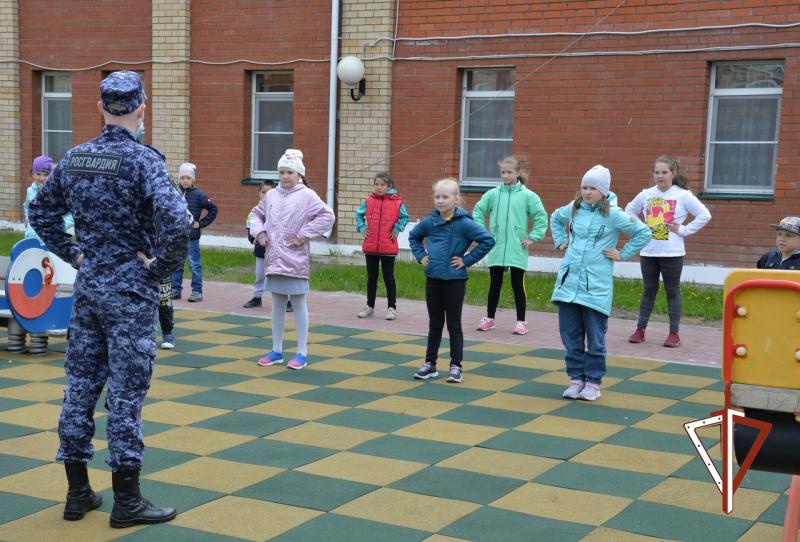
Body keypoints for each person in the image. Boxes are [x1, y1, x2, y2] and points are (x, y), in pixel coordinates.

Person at [28, 71, 188, 527]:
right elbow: (178, 224)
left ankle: (78, 494)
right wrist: (157, 269)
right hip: (130, 293)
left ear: (100, 108)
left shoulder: (75, 158)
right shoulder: (144, 162)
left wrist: (75, 253)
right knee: (125, 395)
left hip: (90, 286)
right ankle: (128, 501)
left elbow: (40, 210)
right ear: (142, 107)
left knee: (80, 387)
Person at [550, 165, 652, 401]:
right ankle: (576, 379)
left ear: (604, 191)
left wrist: (623, 254)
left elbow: (643, 233)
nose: (587, 192)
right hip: (568, 285)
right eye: (584, 187)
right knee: (570, 335)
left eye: (593, 188)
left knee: (595, 337)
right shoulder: (574, 209)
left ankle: (593, 382)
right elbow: (555, 218)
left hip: (596, 286)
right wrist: (561, 241)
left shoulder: (614, 214)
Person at [249, 149, 335, 370]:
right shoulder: (271, 195)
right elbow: (256, 215)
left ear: (299, 174)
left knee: (298, 303)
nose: (285, 176)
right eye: (282, 172)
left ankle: (302, 352)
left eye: (289, 172)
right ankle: (276, 350)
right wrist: (260, 234)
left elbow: (327, 216)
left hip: (294, 260)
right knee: (277, 303)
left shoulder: (307, 195)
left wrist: (303, 235)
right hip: (274, 259)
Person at [409, 178, 495, 383]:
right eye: (437, 196)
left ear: (456, 199)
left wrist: (466, 260)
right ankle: (430, 364)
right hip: (433, 279)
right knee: (435, 324)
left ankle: (456, 366)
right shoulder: (430, 222)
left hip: (455, 281)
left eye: (445, 197)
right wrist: (421, 256)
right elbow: (414, 237)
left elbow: (488, 240)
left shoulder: (464, 223)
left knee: (454, 325)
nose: (440, 200)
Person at [624, 156, 711, 348]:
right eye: (656, 172)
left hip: (672, 253)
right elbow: (629, 211)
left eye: (664, 172)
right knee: (649, 291)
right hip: (649, 252)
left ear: (673, 173)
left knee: (672, 291)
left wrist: (684, 230)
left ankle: (674, 334)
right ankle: (640, 329)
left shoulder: (683, 195)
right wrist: (641, 227)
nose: (660, 176)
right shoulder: (646, 194)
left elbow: (705, 214)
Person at [472, 156, 547, 335]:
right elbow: (478, 211)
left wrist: (533, 237)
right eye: (503, 172)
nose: (505, 176)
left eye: (509, 172)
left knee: (517, 284)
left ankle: (521, 322)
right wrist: (484, 234)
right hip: (497, 246)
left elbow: (540, 217)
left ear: (518, 173)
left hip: (517, 247)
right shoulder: (493, 194)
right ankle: (489, 319)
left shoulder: (528, 196)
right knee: (494, 284)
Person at [355, 172, 410, 320]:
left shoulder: (397, 202)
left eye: (382, 185)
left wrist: (398, 228)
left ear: (389, 186)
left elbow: (405, 217)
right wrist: (361, 227)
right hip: (371, 245)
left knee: (388, 277)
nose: (379, 187)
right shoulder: (368, 201)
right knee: (371, 277)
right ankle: (369, 306)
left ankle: (392, 308)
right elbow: (359, 214)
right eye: (377, 184)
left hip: (388, 247)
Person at [244, 181, 295, 311]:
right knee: (260, 275)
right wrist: (253, 238)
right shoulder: (255, 212)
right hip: (261, 248)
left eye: (269, 192)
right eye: (263, 192)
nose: (266, 195)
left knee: (283, 274)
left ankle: (289, 299)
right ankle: (257, 297)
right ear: (259, 194)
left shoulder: (281, 210)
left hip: (279, 249)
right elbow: (250, 228)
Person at [171, 162, 217, 302]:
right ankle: (176, 290)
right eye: (183, 177)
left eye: (188, 178)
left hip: (192, 237)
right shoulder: (174, 193)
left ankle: (197, 291)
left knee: (194, 264)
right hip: (177, 237)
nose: (185, 180)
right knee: (177, 264)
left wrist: (201, 223)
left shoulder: (199, 195)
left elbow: (213, 209)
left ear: (193, 180)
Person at [23, 155, 74, 243]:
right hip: (31, 238)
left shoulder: (58, 193)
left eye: (46, 174)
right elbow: (27, 206)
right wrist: (27, 218)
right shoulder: (30, 191)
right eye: (38, 174)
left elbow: (72, 213)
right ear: (33, 174)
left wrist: (61, 225)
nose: (42, 178)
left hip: (52, 240)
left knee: (50, 257)